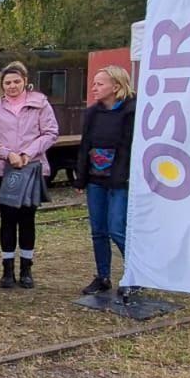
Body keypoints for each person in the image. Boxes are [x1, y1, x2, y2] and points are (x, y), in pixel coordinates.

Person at [0, 61, 59, 289]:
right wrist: (7, 155)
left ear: (25, 81)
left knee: (27, 219)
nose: (12, 86)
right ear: (2, 85)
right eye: (7, 82)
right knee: (7, 220)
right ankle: (7, 270)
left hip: (32, 168)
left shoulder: (40, 104)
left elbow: (50, 132)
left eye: (16, 81)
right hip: (3, 170)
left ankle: (26, 268)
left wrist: (26, 153)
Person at [74, 65, 136, 296]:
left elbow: (128, 148)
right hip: (95, 179)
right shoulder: (92, 113)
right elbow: (85, 145)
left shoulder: (131, 110)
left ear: (116, 86)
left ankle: (134, 275)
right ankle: (103, 276)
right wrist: (81, 178)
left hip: (119, 179)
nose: (94, 88)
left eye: (100, 84)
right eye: (95, 84)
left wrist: (119, 177)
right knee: (98, 230)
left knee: (117, 228)